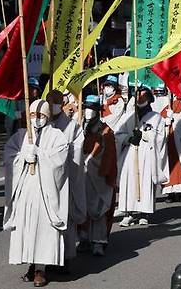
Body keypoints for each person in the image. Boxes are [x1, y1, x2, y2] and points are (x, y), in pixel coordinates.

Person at [3, 99, 69, 287]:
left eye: (40, 115)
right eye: (33, 115)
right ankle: (31, 263)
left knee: (43, 228)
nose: (36, 118)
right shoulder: (21, 135)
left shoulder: (57, 136)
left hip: (45, 191)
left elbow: (60, 162)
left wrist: (40, 154)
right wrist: (23, 157)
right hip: (26, 187)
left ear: (47, 116)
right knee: (26, 226)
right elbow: (9, 156)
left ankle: (41, 268)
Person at [114, 85, 168, 226]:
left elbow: (160, 137)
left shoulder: (156, 118)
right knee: (129, 181)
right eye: (138, 96)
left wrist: (144, 135)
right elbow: (118, 133)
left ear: (149, 99)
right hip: (130, 152)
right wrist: (128, 138)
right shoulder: (128, 116)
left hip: (147, 153)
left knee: (145, 181)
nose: (140, 99)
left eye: (143, 96)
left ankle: (145, 212)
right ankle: (128, 212)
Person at [44, 89, 85, 271]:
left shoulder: (72, 127)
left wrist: (59, 156)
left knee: (64, 218)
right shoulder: (40, 124)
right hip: (44, 180)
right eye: (49, 101)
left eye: (55, 102)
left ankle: (65, 258)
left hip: (64, 179)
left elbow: (76, 154)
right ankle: (45, 259)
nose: (52, 106)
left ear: (62, 104)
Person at [78, 95, 117, 257]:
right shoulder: (78, 128)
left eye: (92, 109)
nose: (88, 112)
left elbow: (109, 155)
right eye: (86, 108)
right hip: (82, 174)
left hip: (98, 174)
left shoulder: (105, 130)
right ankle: (83, 237)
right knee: (82, 206)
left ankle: (99, 241)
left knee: (99, 208)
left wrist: (94, 162)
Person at [159, 91, 181, 203]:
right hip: (167, 135)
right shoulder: (164, 99)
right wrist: (165, 120)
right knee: (168, 163)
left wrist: (174, 117)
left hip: (180, 137)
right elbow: (157, 116)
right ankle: (169, 192)